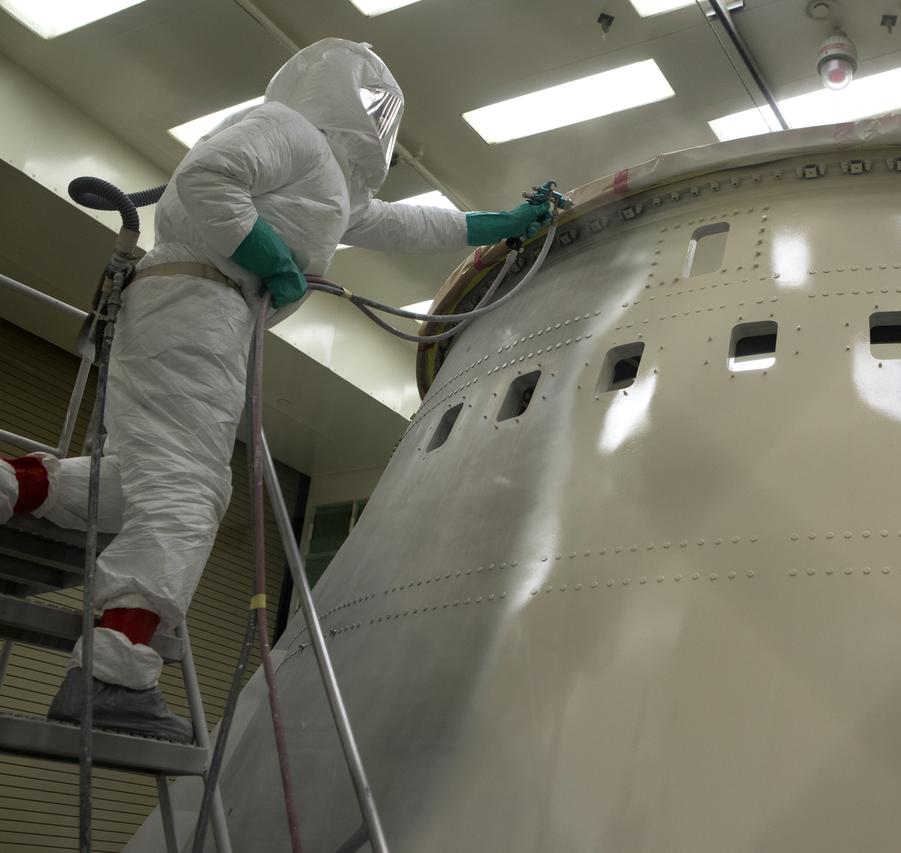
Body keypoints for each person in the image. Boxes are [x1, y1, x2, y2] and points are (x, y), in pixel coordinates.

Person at [0, 38, 548, 741]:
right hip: (197, 302)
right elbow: (205, 178)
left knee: (138, 481)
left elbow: (413, 223)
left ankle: (18, 488)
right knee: (188, 491)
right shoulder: (289, 129)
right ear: (344, 92)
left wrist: (503, 225)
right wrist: (269, 257)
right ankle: (112, 671)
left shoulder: (331, 188)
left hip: (207, 313)